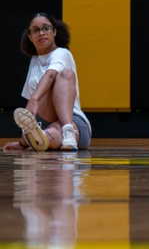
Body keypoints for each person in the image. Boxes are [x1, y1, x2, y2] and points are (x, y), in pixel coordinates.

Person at [5, 13, 92, 152]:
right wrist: (23, 143)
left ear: (54, 32)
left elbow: (50, 75)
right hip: (45, 123)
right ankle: (43, 136)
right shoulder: (34, 61)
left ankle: (67, 129)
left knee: (66, 74)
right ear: (30, 37)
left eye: (46, 28)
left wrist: (34, 99)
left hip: (73, 121)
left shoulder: (62, 53)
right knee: (51, 133)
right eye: (36, 30)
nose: (41, 33)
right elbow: (30, 114)